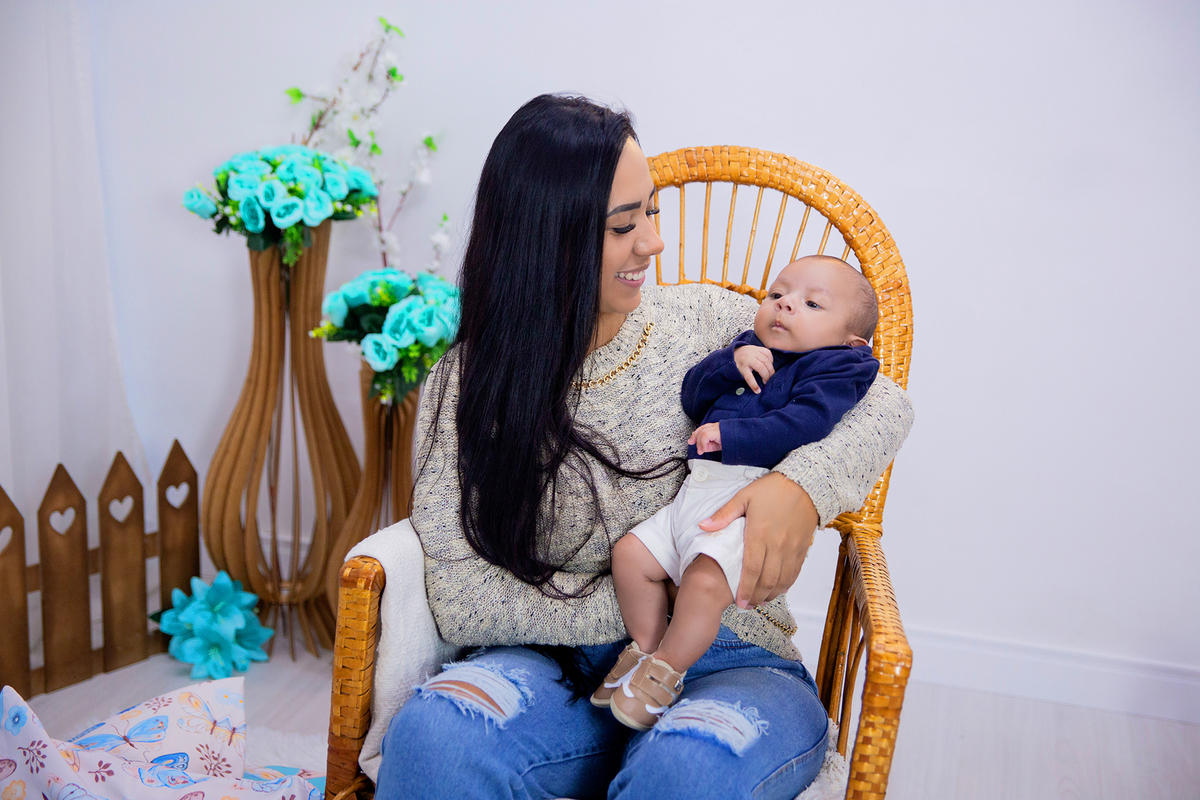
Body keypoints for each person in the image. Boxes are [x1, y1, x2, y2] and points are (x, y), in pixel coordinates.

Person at [374, 94, 913, 800]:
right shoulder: (467, 383)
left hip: (730, 659)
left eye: (651, 212)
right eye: (625, 224)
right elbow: (463, 595)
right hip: (550, 672)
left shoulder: (709, 323)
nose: (654, 242)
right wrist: (646, 623)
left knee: (683, 772)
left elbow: (885, 402)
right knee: (436, 738)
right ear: (547, 238)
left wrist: (802, 485)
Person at [595, 255, 880, 731]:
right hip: (695, 492)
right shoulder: (747, 346)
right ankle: (644, 647)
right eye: (777, 295)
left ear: (851, 342)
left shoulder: (837, 369)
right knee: (630, 556)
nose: (785, 305)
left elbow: (807, 423)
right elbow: (693, 395)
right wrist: (731, 363)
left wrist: (732, 437)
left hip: (747, 498)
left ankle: (667, 671)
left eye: (811, 303)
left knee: (705, 582)